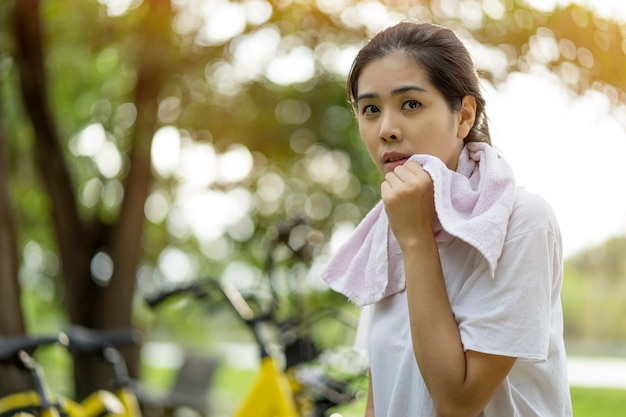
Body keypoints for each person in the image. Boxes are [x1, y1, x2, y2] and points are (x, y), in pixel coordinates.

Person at [321, 21, 572, 416]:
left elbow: (458, 402)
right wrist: (407, 233)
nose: (386, 129)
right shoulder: (387, 231)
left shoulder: (521, 220)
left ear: (464, 116)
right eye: (370, 109)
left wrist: (417, 240)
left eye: (410, 104)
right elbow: (381, 394)